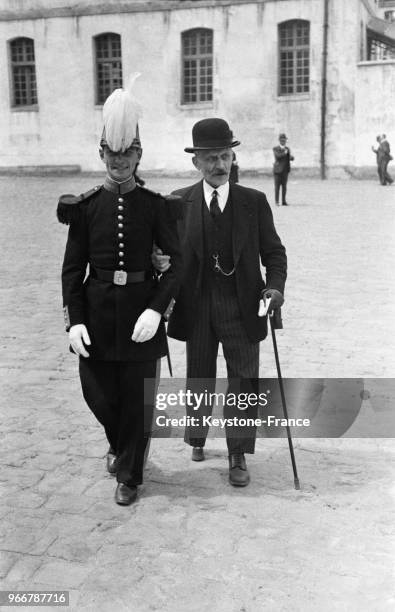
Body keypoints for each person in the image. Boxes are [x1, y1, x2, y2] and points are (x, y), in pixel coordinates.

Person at [57, 77, 180, 506]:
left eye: (128, 153)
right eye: (112, 153)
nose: (119, 161)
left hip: (141, 315)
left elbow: (176, 264)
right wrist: (73, 322)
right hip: (97, 314)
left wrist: (157, 309)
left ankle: (130, 473)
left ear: (138, 154)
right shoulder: (85, 207)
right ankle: (119, 442)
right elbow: (72, 271)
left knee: (138, 400)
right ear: (102, 154)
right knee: (98, 394)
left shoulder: (155, 205)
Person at [158, 118, 287, 487]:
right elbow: (164, 257)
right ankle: (196, 437)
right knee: (199, 378)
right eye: (211, 158)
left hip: (242, 307)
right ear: (195, 162)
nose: (219, 165)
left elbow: (274, 254)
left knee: (243, 381)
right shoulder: (178, 203)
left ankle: (237, 452)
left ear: (233, 158)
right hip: (196, 308)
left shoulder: (253, 203)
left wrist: (275, 288)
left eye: (225, 156)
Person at [273, 133, 294, 206]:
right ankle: (277, 201)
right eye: (282, 140)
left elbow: (288, 158)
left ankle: (283, 201)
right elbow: (278, 156)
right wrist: (285, 153)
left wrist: (291, 157)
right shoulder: (275, 148)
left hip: (285, 170)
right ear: (279, 141)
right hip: (277, 171)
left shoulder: (287, 149)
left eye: (284, 140)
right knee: (277, 186)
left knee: (284, 187)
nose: (283, 141)